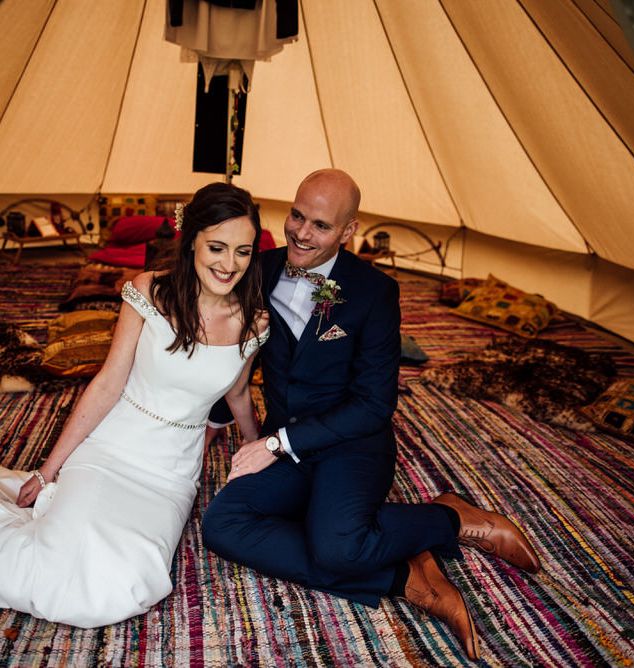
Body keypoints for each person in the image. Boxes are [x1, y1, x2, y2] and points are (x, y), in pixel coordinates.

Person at [201, 169, 540, 661]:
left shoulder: (374, 291)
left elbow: (374, 404)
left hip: (351, 444)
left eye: (320, 225)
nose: (301, 233)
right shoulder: (259, 269)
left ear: (347, 230)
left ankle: (450, 517)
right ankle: (403, 576)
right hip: (288, 444)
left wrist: (275, 444)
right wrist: (212, 429)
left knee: (337, 547)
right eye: (297, 216)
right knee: (222, 524)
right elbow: (224, 351)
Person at [0, 182, 269, 628]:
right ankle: (50, 499)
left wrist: (260, 448)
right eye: (217, 248)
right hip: (110, 451)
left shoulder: (254, 320)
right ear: (192, 241)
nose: (229, 265)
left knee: (122, 583)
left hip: (170, 475)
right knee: (59, 567)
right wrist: (48, 469)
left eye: (243, 251)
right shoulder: (149, 291)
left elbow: (238, 394)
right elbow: (106, 384)